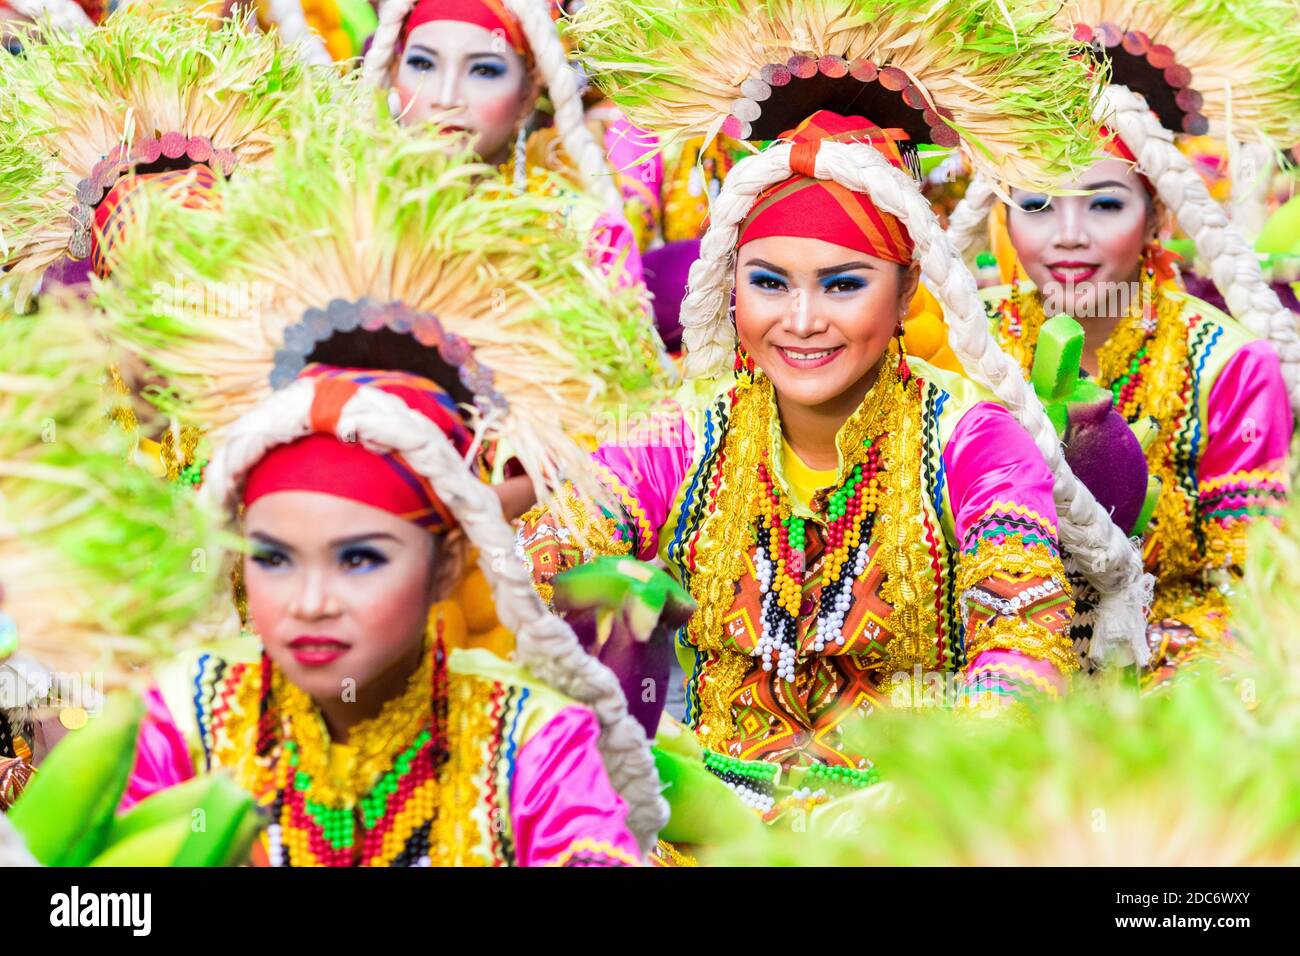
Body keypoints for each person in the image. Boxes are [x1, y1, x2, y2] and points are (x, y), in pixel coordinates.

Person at [518, 3, 1150, 846]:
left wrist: (904, 802)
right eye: (770, 282)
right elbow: (536, 553)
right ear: (729, 286)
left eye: (844, 284)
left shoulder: (971, 439)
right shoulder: (689, 430)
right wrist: (594, 616)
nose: (801, 320)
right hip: (699, 827)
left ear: (905, 295)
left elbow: (1022, 641)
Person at [945, 2, 1297, 680]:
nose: (1068, 235)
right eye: (1038, 203)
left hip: (1174, 669)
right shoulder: (965, 341)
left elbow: (1247, 591)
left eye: (1103, 203)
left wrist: (1126, 668)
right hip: (988, 657)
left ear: (1157, 214)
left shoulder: (1229, 366)